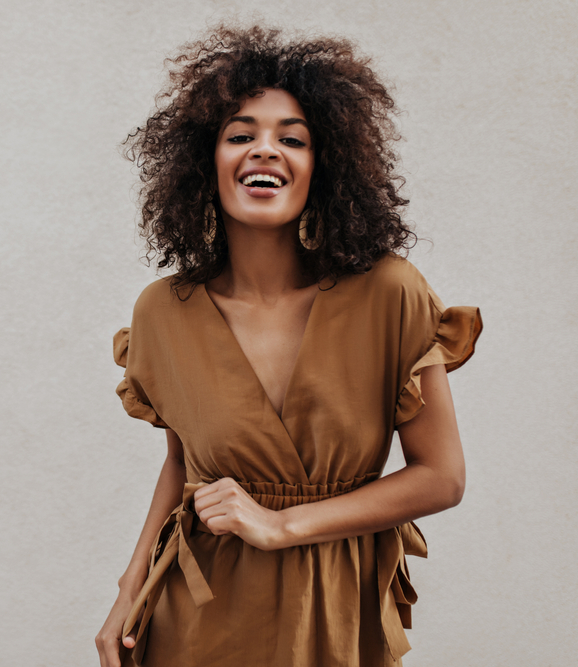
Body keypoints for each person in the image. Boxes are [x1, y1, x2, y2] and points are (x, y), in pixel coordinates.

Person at [95, 25, 483, 667]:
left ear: (322, 165)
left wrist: (282, 526)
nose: (264, 150)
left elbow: (441, 477)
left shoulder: (390, 293)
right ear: (205, 161)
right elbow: (183, 470)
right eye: (241, 135)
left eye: (292, 138)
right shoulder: (165, 311)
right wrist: (128, 591)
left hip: (331, 610)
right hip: (196, 619)